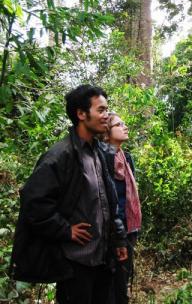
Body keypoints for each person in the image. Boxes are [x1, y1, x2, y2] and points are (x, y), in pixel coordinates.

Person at [10, 85, 128, 304]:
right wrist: (65, 230)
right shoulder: (60, 155)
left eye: (107, 110)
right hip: (75, 264)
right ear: (81, 114)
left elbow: (109, 202)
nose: (107, 116)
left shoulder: (98, 153)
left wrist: (118, 239)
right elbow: (33, 202)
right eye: (101, 110)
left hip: (103, 259)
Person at [100, 112, 142, 304]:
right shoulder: (101, 157)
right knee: (108, 282)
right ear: (107, 133)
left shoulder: (128, 159)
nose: (125, 127)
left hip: (128, 227)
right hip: (109, 230)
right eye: (119, 124)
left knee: (122, 280)